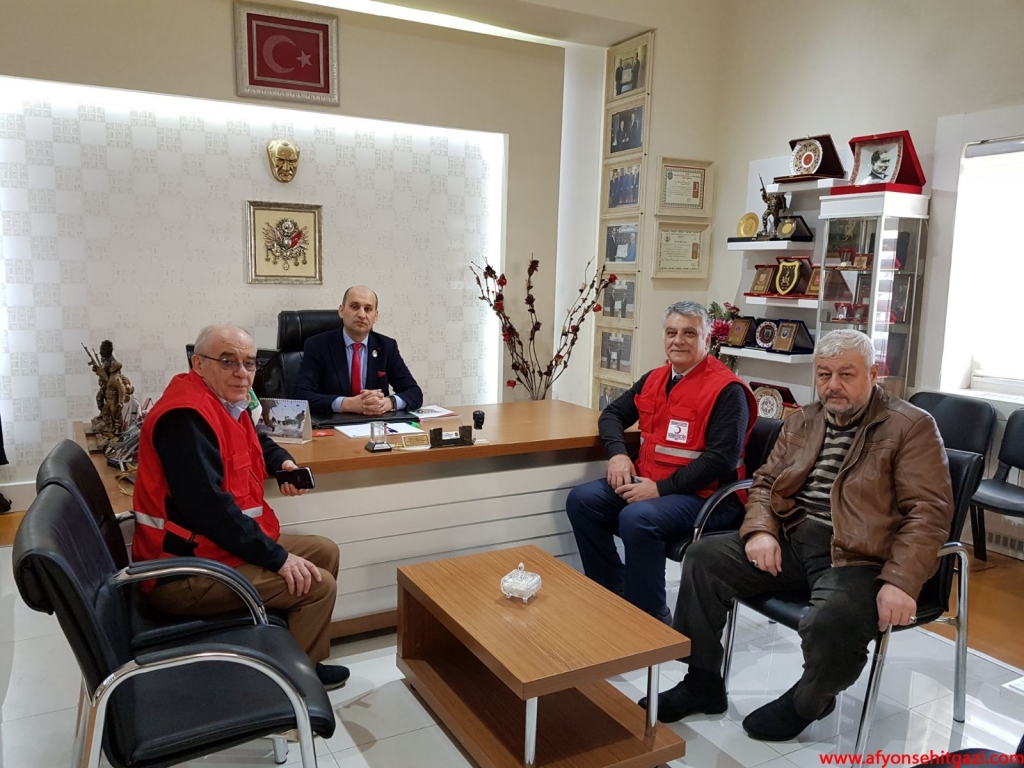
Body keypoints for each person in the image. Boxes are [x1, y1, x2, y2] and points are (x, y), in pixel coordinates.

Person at [644, 329, 954, 742]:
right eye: (824, 374)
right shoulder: (805, 420)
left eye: (846, 374)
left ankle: (808, 700)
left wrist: (901, 580)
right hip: (792, 539)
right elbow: (763, 483)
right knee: (704, 558)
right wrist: (760, 530)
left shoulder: (911, 426)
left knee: (833, 618)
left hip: (861, 556)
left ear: (872, 375)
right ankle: (702, 682)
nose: (833, 385)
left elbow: (928, 513)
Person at [132, 325, 350, 690]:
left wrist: (282, 464)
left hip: (216, 551)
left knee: (325, 552)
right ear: (198, 364)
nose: (242, 372)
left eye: (249, 363)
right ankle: (294, 687)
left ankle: (296, 658)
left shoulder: (227, 403)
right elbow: (211, 512)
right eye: (228, 361)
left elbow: (257, 441)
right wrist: (278, 559)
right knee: (318, 584)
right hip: (182, 573)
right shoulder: (186, 417)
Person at [566, 301, 757, 622]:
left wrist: (659, 489)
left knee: (637, 518)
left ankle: (650, 616)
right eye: (671, 332)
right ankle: (613, 592)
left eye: (689, 333)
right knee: (583, 500)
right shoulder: (655, 378)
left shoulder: (727, 390)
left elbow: (721, 459)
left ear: (707, 339)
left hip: (708, 496)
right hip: (652, 481)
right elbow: (612, 414)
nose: (678, 340)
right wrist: (618, 454)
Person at [291, 285, 423, 415]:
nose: (361, 314)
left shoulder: (387, 346)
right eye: (355, 307)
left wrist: (388, 403)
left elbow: (414, 393)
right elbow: (299, 395)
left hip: (375, 422)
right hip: (333, 423)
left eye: (368, 309)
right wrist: (346, 404)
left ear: (375, 316)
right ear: (341, 311)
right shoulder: (318, 345)